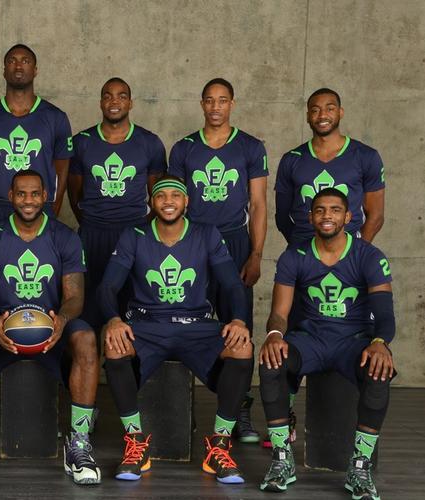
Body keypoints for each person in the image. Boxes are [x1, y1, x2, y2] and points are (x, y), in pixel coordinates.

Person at [0, 170, 101, 485]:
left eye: (35, 194)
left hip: (52, 324)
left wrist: (62, 321)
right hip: (4, 324)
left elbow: (75, 297)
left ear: (45, 196)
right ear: (11, 196)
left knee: (86, 338)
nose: (28, 200)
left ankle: (79, 445)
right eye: (21, 194)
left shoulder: (65, 236)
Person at [99, 175, 253, 484]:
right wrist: (113, 319)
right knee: (114, 345)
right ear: (151, 202)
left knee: (242, 347)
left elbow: (232, 284)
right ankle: (135, 443)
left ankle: (219, 446)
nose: (168, 201)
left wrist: (238, 319)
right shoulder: (135, 235)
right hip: (147, 324)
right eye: (161, 196)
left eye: (175, 195)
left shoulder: (206, 234)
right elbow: (107, 286)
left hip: (196, 324)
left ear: (187, 201)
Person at [258, 188, 394, 499]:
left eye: (335, 210)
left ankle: (360, 466)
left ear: (348, 217)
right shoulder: (294, 256)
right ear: (310, 217)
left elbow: (385, 314)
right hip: (310, 339)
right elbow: (279, 313)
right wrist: (274, 335)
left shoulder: (369, 256)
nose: (327, 216)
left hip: (353, 341)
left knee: (379, 371)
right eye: (319, 210)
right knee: (271, 361)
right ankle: (282, 458)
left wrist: (380, 342)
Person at [168, 78, 268, 444]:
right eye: (209, 100)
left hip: (235, 241)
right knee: (182, 322)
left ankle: (238, 408)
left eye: (222, 100)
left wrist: (255, 254)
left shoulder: (250, 147)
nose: (215, 107)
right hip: (192, 244)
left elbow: (258, 204)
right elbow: (172, 203)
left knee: (238, 325)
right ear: (201, 104)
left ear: (232, 104)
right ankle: (182, 409)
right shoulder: (184, 148)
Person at [67, 77, 166, 332]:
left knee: (130, 314)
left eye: (122, 96)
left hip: (132, 234)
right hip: (92, 234)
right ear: (101, 102)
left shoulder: (149, 143)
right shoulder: (82, 142)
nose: (114, 101)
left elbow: (158, 197)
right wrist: (92, 221)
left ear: (130, 103)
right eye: (108, 96)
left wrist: (140, 230)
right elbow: (74, 193)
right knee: (87, 314)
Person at [0, 44, 73, 230]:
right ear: (4, 70)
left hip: (39, 210)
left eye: (25, 61)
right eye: (12, 61)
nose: (18, 66)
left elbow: (62, 170)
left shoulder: (56, 117)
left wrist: (52, 206)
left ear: (35, 70)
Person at [275, 88, 385, 246]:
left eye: (330, 109)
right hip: (303, 249)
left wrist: (357, 250)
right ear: (308, 116)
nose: (322, 115)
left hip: (349, 247)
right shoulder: (291, 159)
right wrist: (300, 247)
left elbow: (376, 215)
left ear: (340, 112)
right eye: (315, 110)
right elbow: (282, 217)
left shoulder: (366, 156)